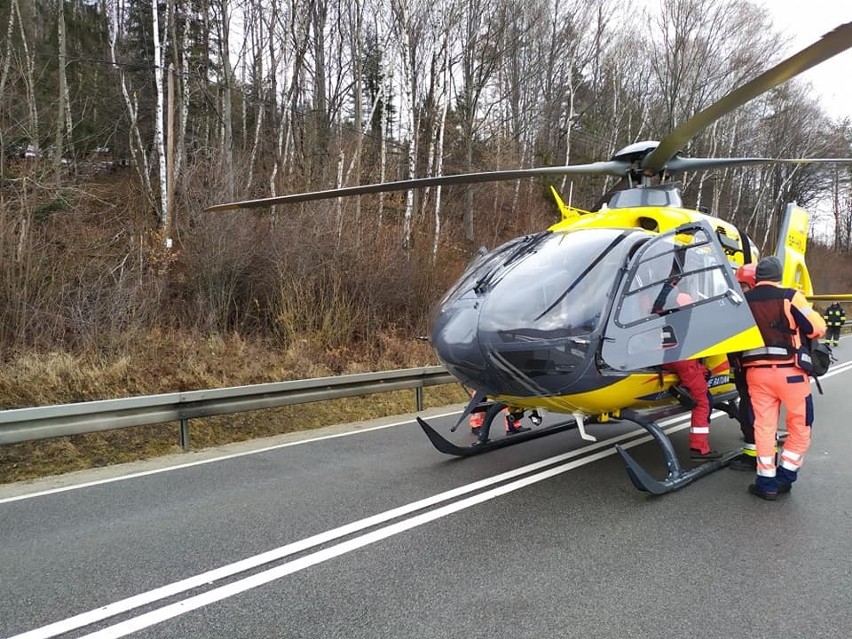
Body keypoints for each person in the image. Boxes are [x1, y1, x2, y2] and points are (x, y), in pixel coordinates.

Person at [739, 256, 826, 500]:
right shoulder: (790, 296)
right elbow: (816, 328)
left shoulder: (743, 301)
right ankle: (785, 478)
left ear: (756, 278)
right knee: (800, 426)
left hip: (756, 374)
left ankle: (766, 483)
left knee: (764, 428)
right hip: (791, 374)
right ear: (778, 277)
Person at [652, 275, 717, 460]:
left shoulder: (653, 301)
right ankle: (699, 448)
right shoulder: (683, 301)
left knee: (697, 377)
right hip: (682, 358)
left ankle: (682, 391)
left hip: (661, 356)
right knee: (703, 401)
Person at [728, 263, 758, 471]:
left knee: (752, 413)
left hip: (754, 372)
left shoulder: (752, 309)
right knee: (750, 411)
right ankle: (756, 453)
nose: (740, 290)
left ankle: (754, 456)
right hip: (744, 370)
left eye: (743, 286)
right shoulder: (744, 306)